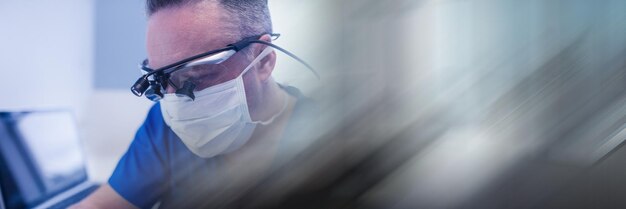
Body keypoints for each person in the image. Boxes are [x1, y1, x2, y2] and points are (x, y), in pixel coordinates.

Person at [72, 0, 317, 208]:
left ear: (263, 61)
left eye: (194, 79)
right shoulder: (164, 127)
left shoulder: (327, 137)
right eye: (161, 81)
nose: (175, 104)